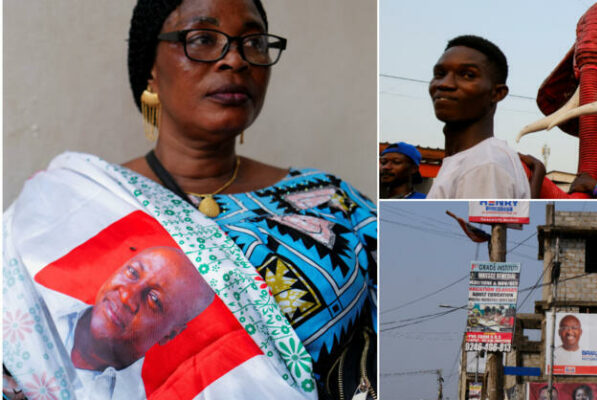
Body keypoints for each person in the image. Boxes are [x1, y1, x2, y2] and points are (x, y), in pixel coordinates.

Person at [4, 1, 377, 398]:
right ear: (151, 68)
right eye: (202, 39)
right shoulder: (64, 206)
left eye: (253, 43)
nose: (235, 59)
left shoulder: (334, 203)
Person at [58, 247, 213, 398]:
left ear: (169, 334)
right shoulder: (41, 301)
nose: (126, 296)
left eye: (154, 299)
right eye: (132, 272)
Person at [426, 35, 531, 199]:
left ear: (497, 93)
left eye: (467, 75)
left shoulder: (484, 164)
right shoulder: (470, 160)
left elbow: (482, 225)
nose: (444, 84)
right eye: (440, 74)